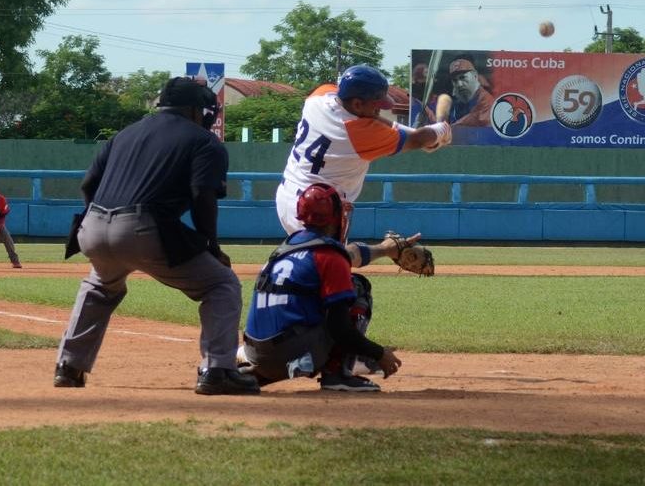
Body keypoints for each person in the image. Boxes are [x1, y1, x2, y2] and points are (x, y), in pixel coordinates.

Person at [53, 76, 259, 396]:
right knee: (221, 284)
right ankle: (218, 370)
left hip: (91, 227)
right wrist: (212, 246)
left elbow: (88, 185)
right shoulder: (204, 142)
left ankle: (69, 366)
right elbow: (202, 195)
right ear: (194, 110)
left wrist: (95, 222)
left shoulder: (124, 134)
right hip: (141, 227)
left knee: (99, 286)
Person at [276, 64, 451, 266]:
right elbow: (420, 139)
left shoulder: (320, 95)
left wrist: (409, 133)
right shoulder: (357, 131)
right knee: (329, 268)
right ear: (357, 104)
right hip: (316, 208)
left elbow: (379, 123)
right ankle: (386, 249)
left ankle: (384, 250)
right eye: (376, 104)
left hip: (288, 194)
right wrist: (441, 130)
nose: (380, 109)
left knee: (327, 263)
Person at [241, 183, 403, 392]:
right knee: (357, 286)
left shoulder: (283, 249)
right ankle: (338, 374)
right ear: (334, 218)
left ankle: (258, 373)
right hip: (291, 355)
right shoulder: (329, 256)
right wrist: (378, 353)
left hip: (255, 355)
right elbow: (340, 328)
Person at [435, 59, 494, 127]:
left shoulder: (486, 99)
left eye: (463, 77)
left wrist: (446, 130)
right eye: (455, 80)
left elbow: (474, 119)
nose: (459, 84)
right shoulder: (459, 100)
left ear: (475, 76)